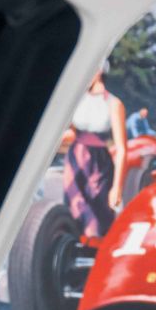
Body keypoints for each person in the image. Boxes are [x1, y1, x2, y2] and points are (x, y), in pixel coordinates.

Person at [62, 70, 126, 239]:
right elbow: (72, 132)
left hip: (99, 163)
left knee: (98, 218)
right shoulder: (77, 101)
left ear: (99, 72)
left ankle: (95, 249)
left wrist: (117, 187)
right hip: (75, 159)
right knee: (74, 208)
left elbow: (121, 148)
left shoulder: (114, 103)